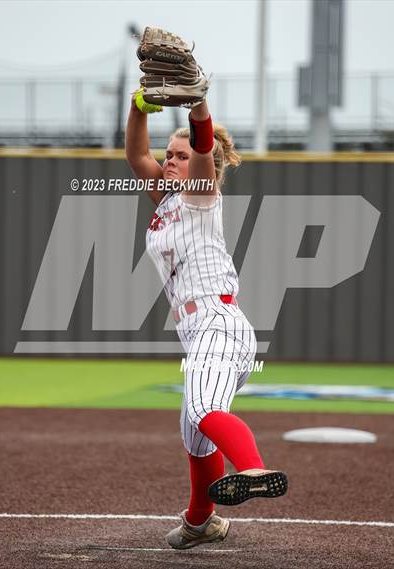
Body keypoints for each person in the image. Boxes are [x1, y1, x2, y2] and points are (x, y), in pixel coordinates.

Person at [125, 32, 287, 551]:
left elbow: (200, 146)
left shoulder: (198, 194)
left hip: (219, 323)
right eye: (166, 156)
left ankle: (256, 470)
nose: (167, 161)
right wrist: (139, 106)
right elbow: (134, 156)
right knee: (193, 433)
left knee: (201, 409)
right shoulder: (165, 200)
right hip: (198, 334)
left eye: (176, 155)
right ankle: (202, 521)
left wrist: (199, 107)